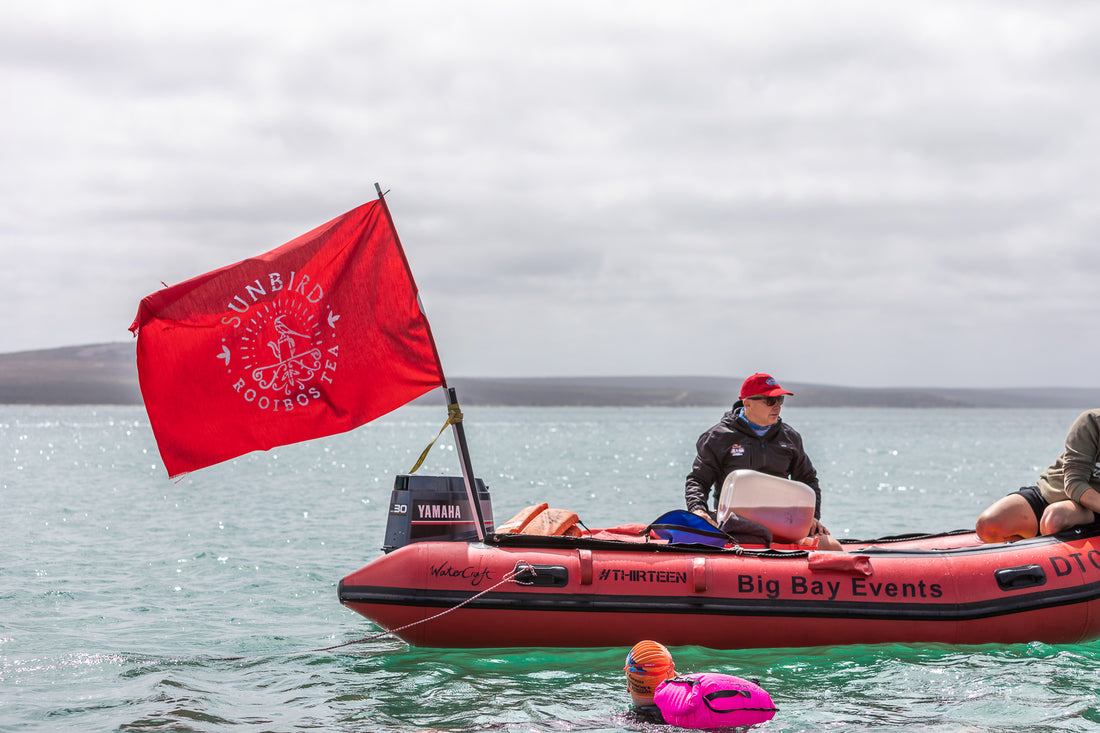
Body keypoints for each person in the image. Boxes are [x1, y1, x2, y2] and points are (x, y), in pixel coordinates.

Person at [685, 373, 842, 551]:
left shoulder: (790, 437)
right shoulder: (718, 437)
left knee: (833, 547)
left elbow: (808, 479)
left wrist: (811, 517)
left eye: (780, 400)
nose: (777, 406)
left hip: (784, 524)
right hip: (734, 525)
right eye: (770, 401)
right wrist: (698, 511)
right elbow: (698, 480)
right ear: (747, 403)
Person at [975, 409, 1100, 543]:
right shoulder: (1092, 421)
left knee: (1054, 518)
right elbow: (1074, 483)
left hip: (1090, 509)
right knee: (988, 526)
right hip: (1055, 490)